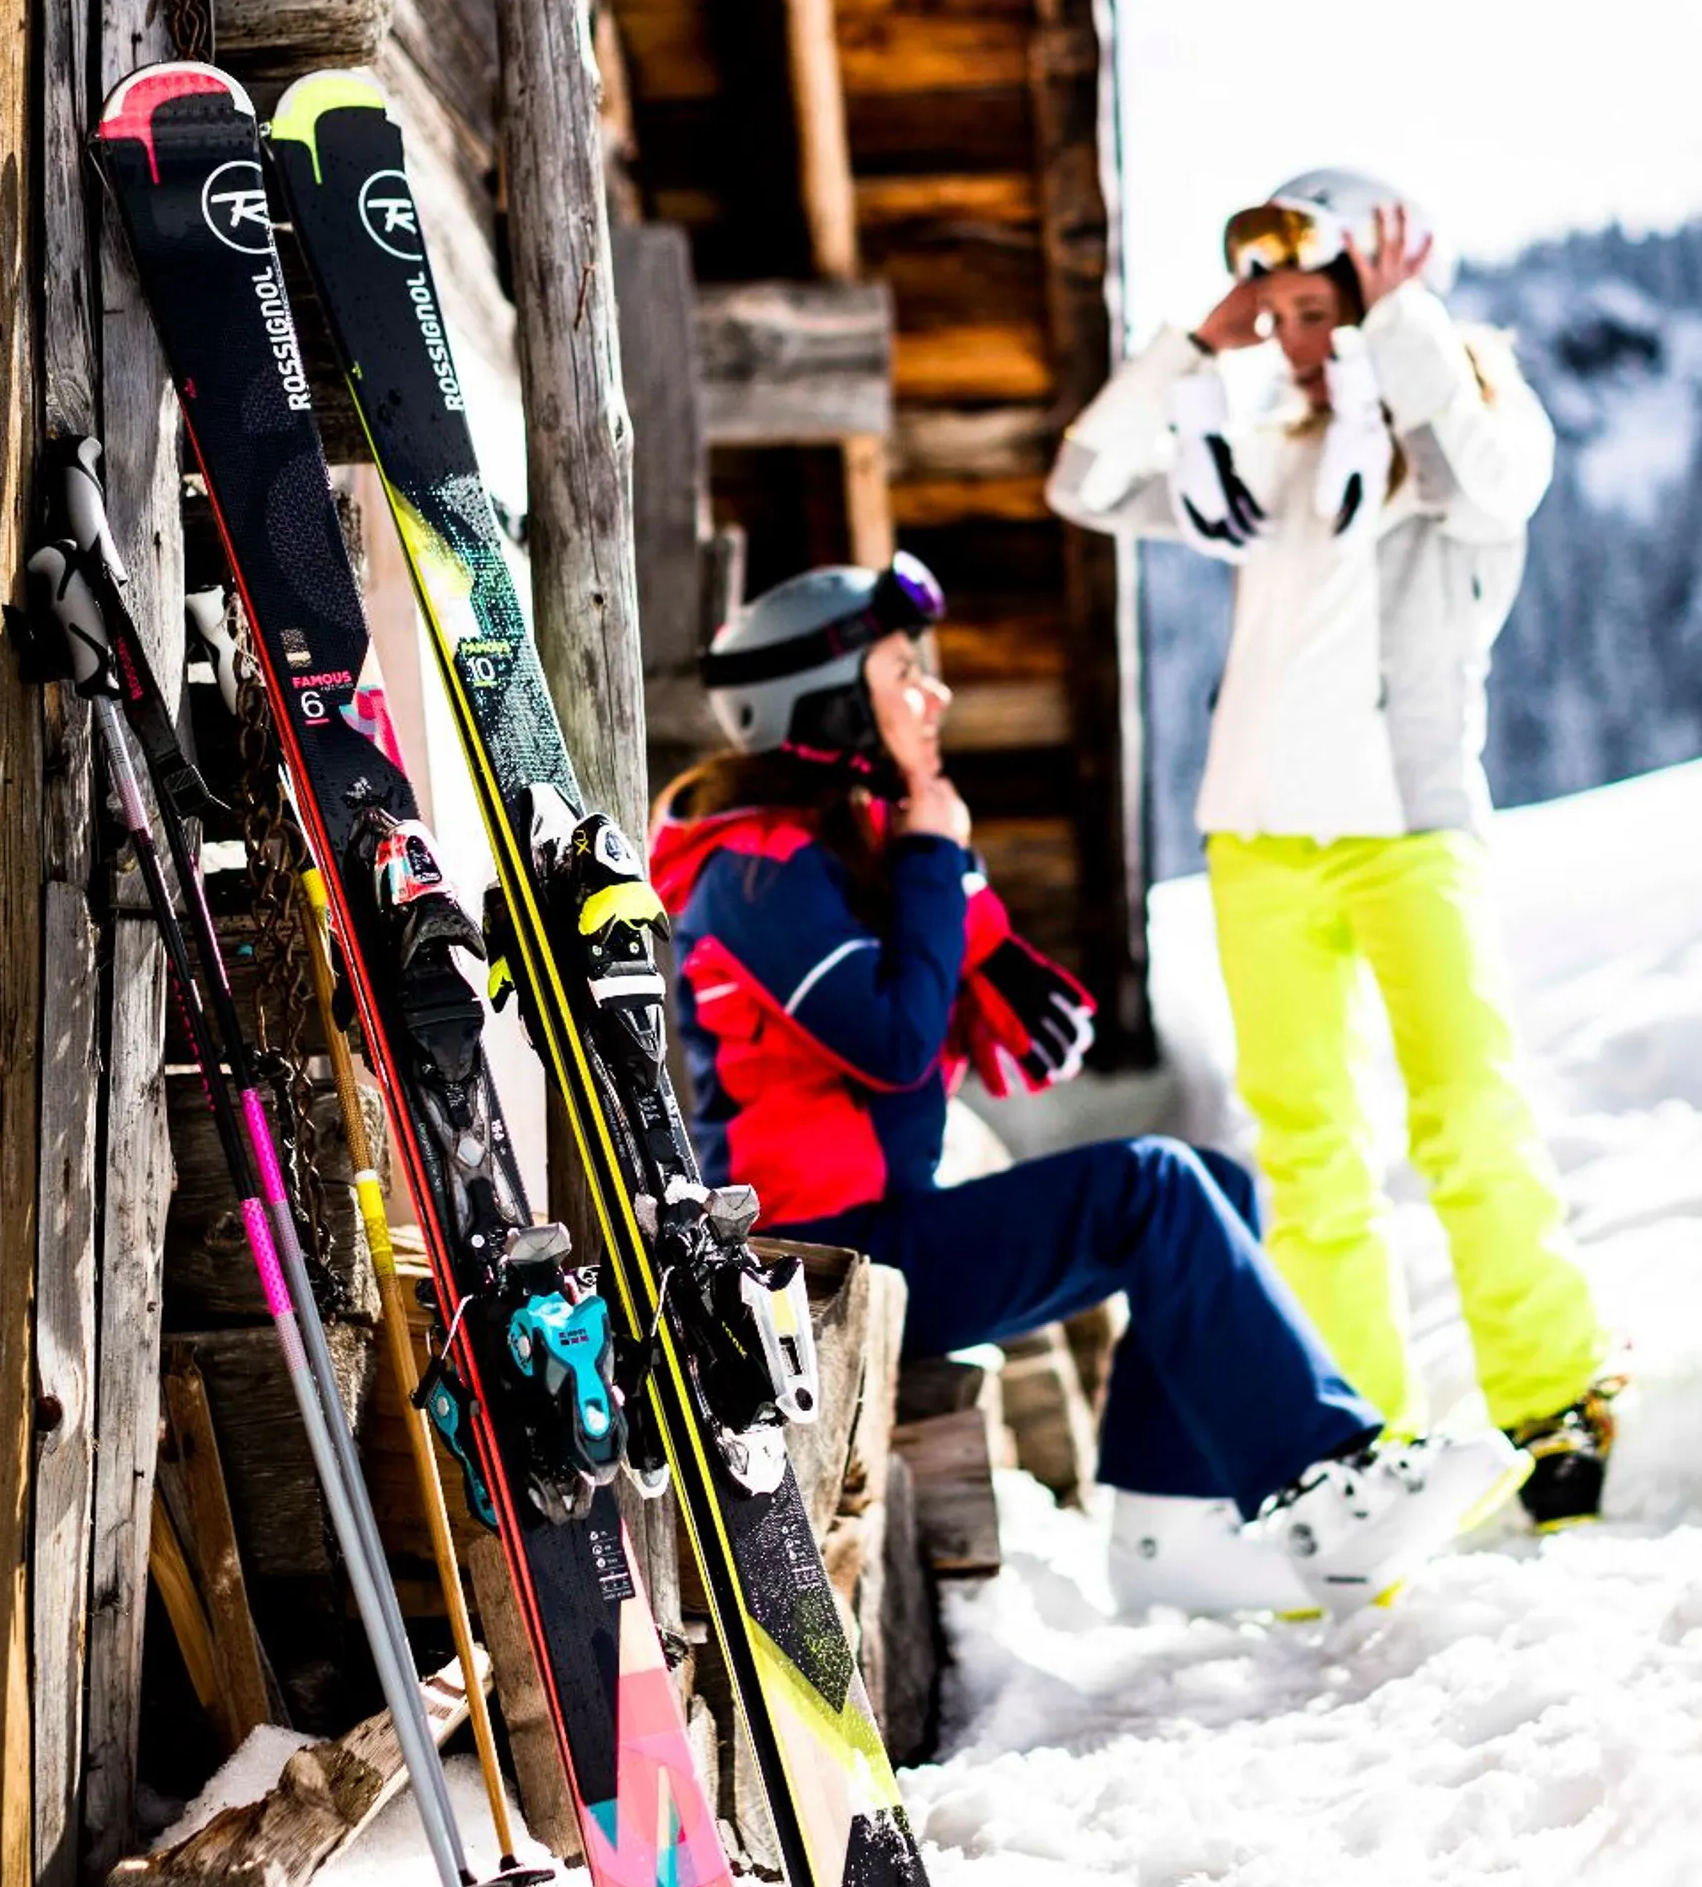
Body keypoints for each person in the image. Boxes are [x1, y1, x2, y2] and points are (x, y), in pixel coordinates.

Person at [649, 551, 1527, 1615]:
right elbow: (886, 1039)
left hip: (874, 1234)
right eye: (901, 674)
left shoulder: (832, 853)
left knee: (1210, 1185)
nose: (935, 695)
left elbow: (947, 1036)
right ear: (826, 711)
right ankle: (1325, 1485)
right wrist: (932, 862)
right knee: (1151, 1189)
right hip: (809, 1268)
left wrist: (948, 905)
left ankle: (1173, 1530)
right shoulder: (751, 868)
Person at [1048, 166, 1617, 1525]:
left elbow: (1499, 481)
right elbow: (1084, 479)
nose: (1303, 337)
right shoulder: (1255, 451)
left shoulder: (1464, 429)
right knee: (1308, 1154)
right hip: (1259, 839)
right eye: (1283, 311)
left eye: (1325, 305)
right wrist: (1201, 340)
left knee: (1468, 1116)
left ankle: (1555, 1404)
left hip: (1408, 831)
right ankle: (1361, 1441)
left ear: (1384, 294)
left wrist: (1401, 323)